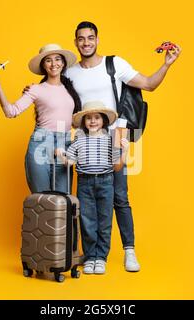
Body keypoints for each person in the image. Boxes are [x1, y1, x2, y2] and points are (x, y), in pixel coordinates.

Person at [64, 21, 182, 272]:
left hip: (115, 135)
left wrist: (166, 64)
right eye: (81, 39)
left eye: (91, 38)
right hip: (87, 139)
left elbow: (149, 84)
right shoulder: (70, 73)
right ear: (75, 42)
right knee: (88, 200)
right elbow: (55, 92)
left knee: (119, 197)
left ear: (97, 39)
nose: (86, 43)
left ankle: (129, 251)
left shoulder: (114, 64)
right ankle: (92, 254)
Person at [0, 44, 81, 193]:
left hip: (64, 144)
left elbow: (77, 121)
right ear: (43, 65)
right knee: (42, 200)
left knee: (64, 200)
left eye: (57, 59)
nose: (53, 64)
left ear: (63, 63)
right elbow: (11, 112)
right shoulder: (36, 89)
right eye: (48, 60)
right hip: (41, 143)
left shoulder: (71, 89)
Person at [56, 101, 129, 275]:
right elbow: (71, 162)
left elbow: (117, 167)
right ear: (83, 122)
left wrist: (125, 151)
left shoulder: (111, 140)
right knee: (87, 222)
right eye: (88, 118)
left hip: (106, 183)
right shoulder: (79, 140)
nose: (93, 121)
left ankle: (101, 258)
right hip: (85, 184)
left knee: (104, 222)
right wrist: (61, 155)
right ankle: (90, 257)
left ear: (103, 120)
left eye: (97, 117)